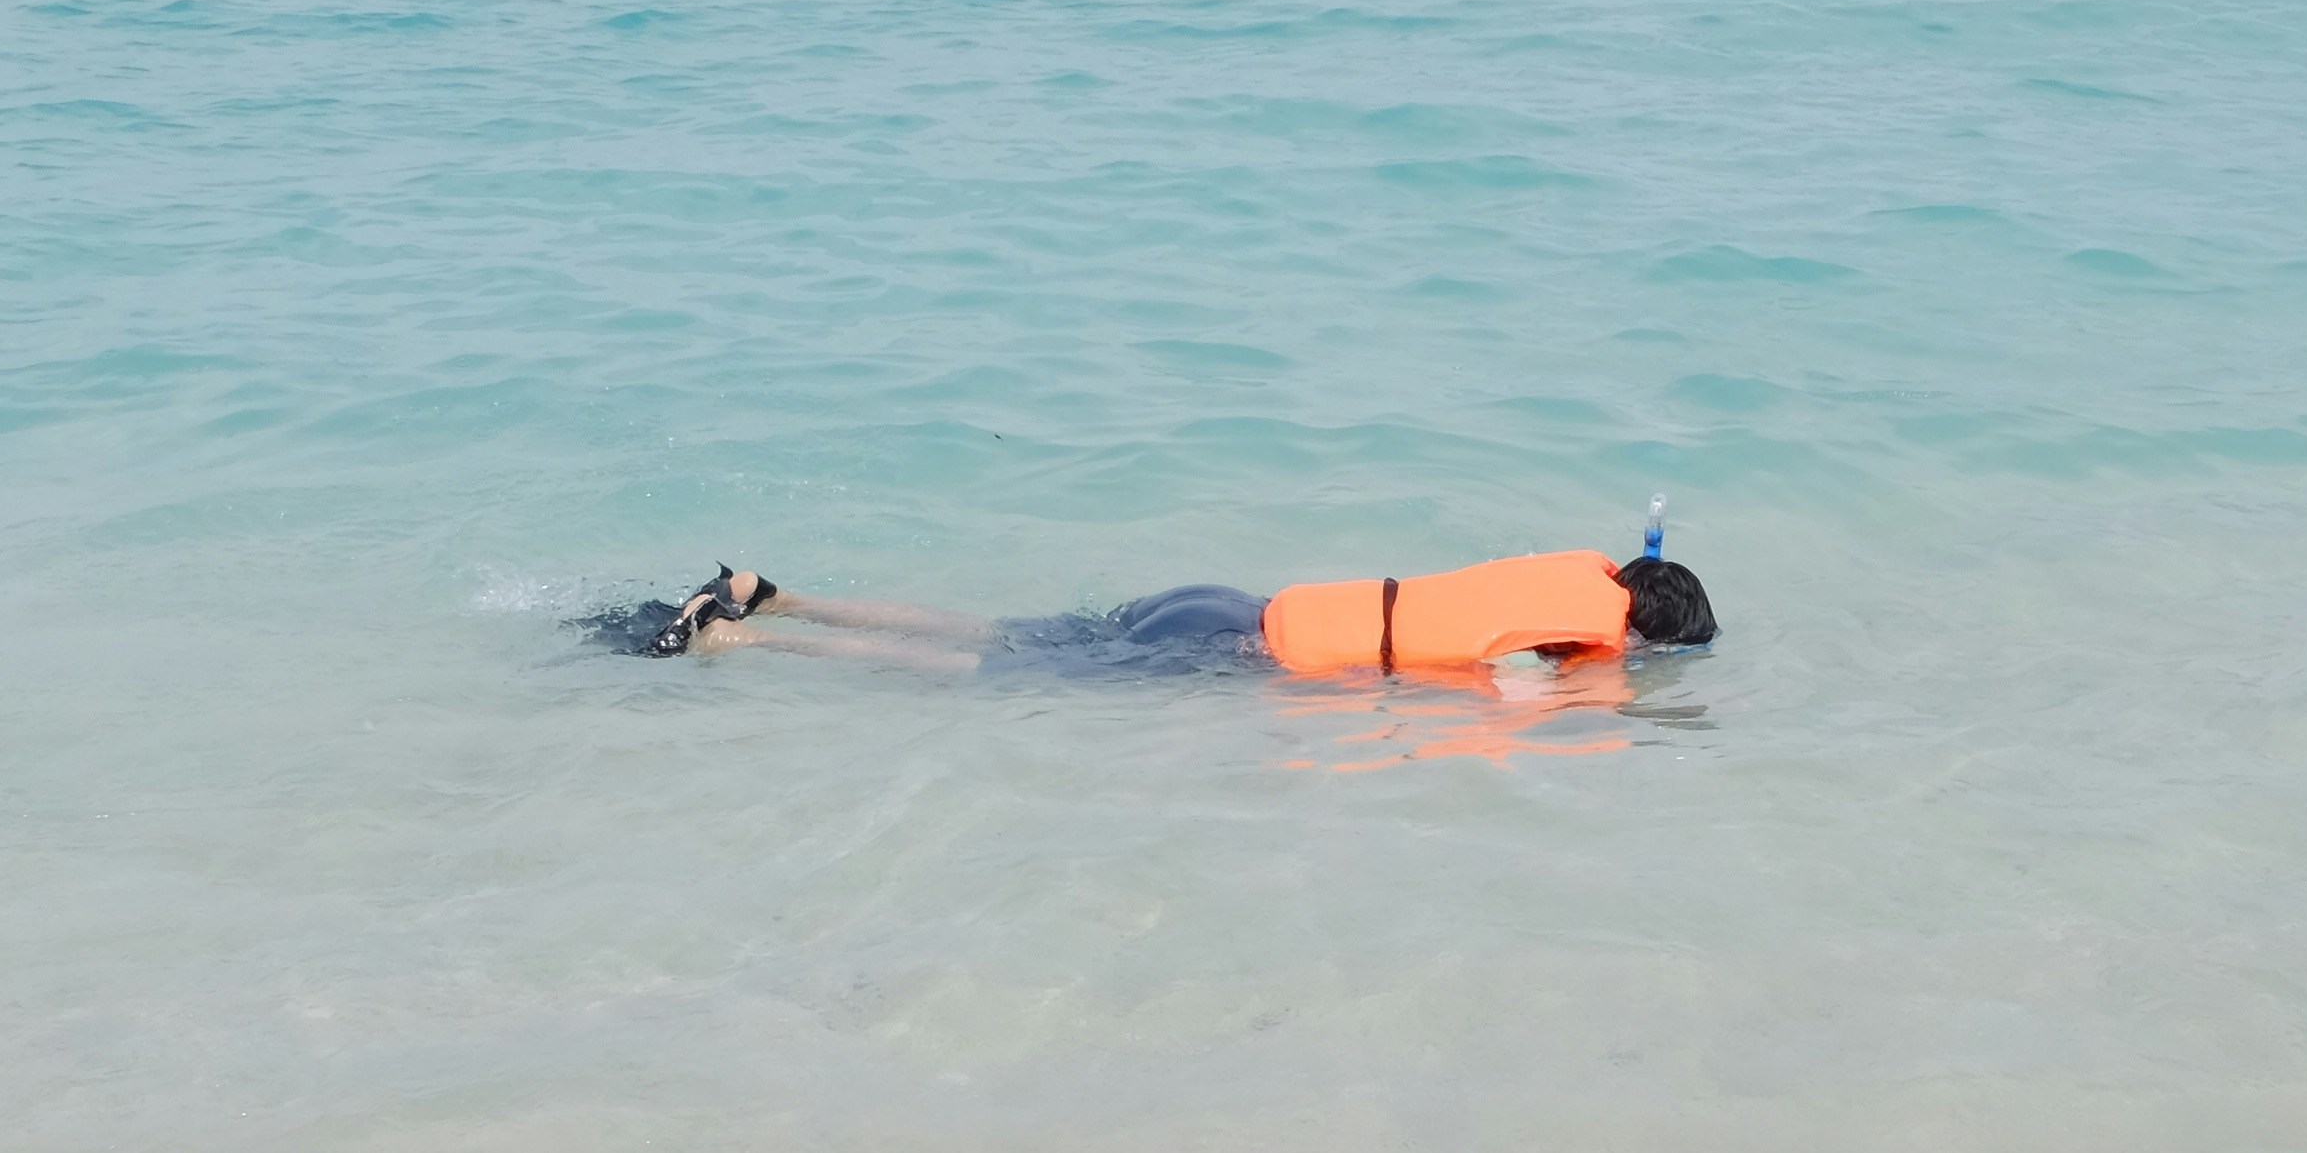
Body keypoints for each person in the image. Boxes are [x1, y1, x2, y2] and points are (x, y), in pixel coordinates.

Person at [613, 550, 1716, 679]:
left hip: (1232, 597)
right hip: (1237, 647)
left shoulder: (1577, 569)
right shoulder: (1600, 645)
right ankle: (741, 638)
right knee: (991, 677)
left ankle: (776, 592)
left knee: (997, 633)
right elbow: (1582, 697)